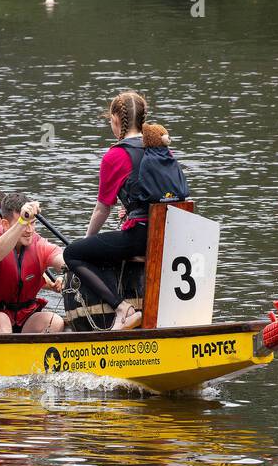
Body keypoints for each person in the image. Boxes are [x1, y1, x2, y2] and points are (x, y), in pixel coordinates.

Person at [63, 92, 189, 322]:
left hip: (142, 237)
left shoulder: (115, 155)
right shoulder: (162, 148)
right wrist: (132, 210)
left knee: (73, 253)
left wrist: (85, 240)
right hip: (174, 232)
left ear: (115, 120)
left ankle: (122, 308)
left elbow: (103, 208)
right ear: (142, 118)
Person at [0, 193, 66, 333]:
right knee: (1, 321)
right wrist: (21, 222)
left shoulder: (39, 244)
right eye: (25, 224)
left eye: (33, 223)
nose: (30, 230)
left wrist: (68, 274)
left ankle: (30, 354)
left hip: (24, 315)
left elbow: (62, 259)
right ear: (5, 224)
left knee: (55, 321)